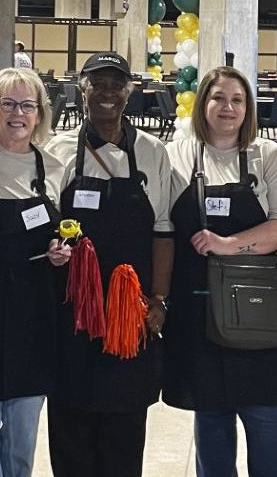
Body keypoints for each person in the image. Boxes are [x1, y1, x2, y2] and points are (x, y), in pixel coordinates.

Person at [42, 51, 177, 477]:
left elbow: (163, 231)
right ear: (80, 90)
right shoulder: (58, 150)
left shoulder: (153, 153)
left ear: (129, 92)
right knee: (70, 429)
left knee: (124, 431)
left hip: (129, 317)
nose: (106, 93)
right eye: (96, 84)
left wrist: (159, 299)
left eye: (115, 85)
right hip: (72, 317)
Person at [164, 67, 277, 477]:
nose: (228, 108)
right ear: (202, 103)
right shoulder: (178, 155)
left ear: (249, 107)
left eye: (237, 100)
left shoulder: (269, 156)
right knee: (211, 412)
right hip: (197, 304)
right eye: (218, 98)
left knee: (265, 412)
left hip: (257, 307)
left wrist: (227, 245)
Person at [0, 69, 72, 477]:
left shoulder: (53, 165)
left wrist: (58, 252)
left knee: (24, 426)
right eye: (8, 104)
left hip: (34, 308)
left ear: (40, 114)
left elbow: (59, 232)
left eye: (27, 105)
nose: (17, 114)